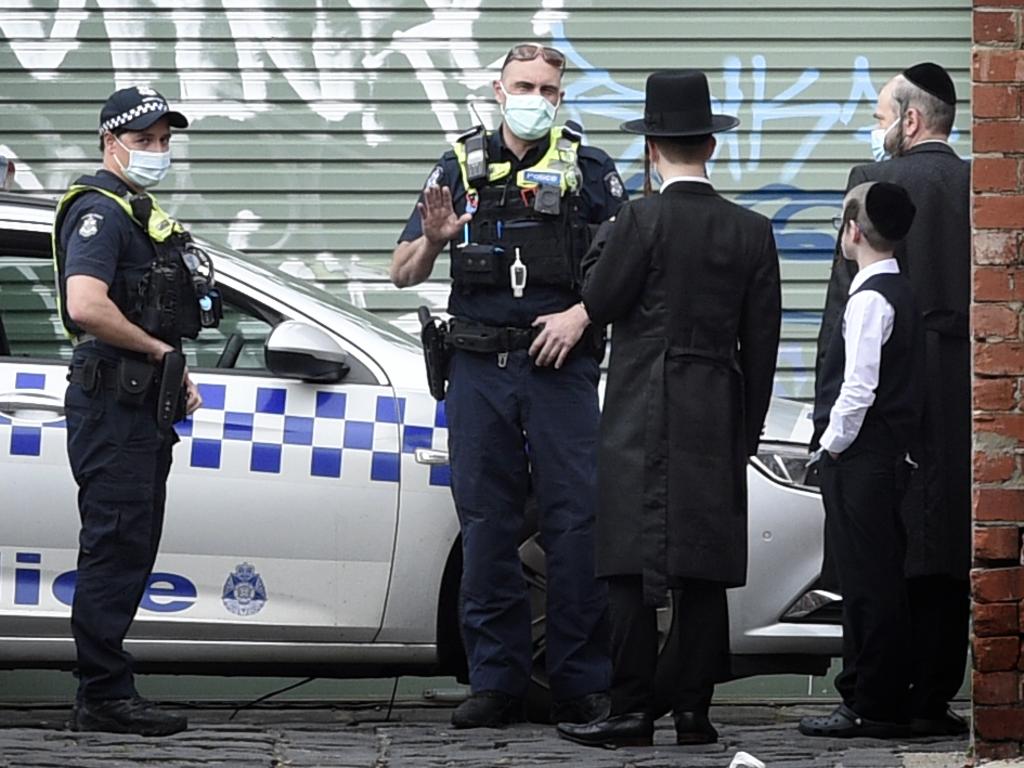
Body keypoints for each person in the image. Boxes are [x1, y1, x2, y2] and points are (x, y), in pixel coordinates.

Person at [389, 43, 627, 728]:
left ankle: (582, 682)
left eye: (550, 89)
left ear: (561, 96)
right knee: (487, 526)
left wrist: (581, 315)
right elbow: (401, 271)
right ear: (498, 91)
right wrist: (435, 240)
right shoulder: (460, 166)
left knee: (575, 524)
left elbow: (626, 268)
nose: (537, 99)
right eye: (525, 86)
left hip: (560, 371)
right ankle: (495, 681)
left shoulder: (589, 170)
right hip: (478, 370)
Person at [557, 69, 781, 748]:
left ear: (651, 148)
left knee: (629, 561)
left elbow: (601, 297)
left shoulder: (639, 218)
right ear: (710, 145)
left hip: (641, 405)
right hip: (716, 407)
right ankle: (693, 710)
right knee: (704, 567)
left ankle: (630, 710)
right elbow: (762, 346)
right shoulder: (752, 230)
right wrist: (745, 427)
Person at [814, 62, 970, 736]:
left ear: (910, 120)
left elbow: (837, 314)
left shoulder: (869, 188)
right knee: (945, 543)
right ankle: (933, 693)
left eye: (881, 115)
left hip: (882, 401)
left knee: (873, 550)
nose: (876, 128)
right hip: (962, 391)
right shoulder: (980, 184)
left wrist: (830, 416)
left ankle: (869, 690)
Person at [54, 85, 208, 736]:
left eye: (165, 140)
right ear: (109, 143)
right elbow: (84, 305)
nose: (157, 151)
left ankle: (108, 689)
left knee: (131, 545)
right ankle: (103, 697)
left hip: (139, 396)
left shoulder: (135, 210)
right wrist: (154, 350)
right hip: (114, 398)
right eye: (143, 140)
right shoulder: (101, 211)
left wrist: (171, 363)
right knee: (115, 545)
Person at [800, 181, 922, 738]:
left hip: (862, 460)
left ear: (852, 232)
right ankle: (887, 696)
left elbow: (857, 392)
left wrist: (829, 446)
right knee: (881, 579)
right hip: (890, 456)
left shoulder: (868, 298)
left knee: (864, 583)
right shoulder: (902, 290)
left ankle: (866, 701)